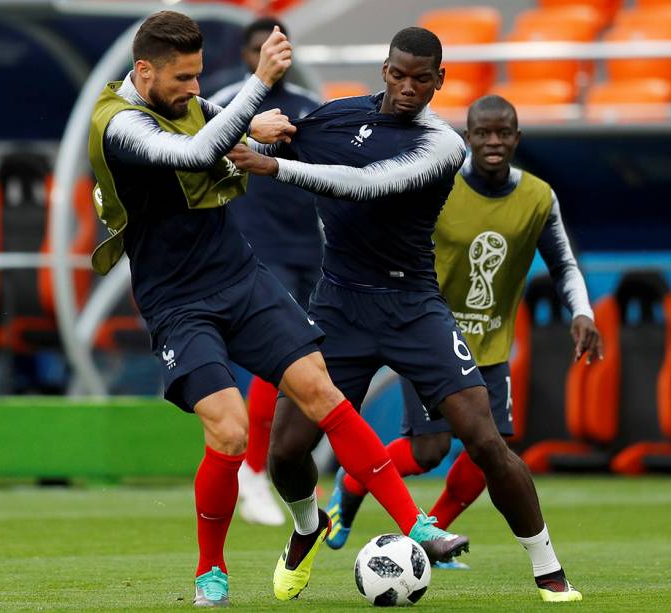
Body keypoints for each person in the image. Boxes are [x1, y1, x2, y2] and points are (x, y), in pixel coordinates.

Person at [87, 12, 467, 608]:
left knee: (324, 392)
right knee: (232, 432)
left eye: (197, 77)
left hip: (239, 274)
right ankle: (210, 568)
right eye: (185, 78)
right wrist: (258, 82)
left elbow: (228, 133)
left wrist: (261, 128)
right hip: (177, 300)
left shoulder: (186, 100)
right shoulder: (119, 125)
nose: (194, 89)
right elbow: (197, 154)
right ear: (144, 71)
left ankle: (415, 524)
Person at [228, 30, 584, 603]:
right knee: (286, 452)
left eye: (423, 78)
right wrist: (255, 130)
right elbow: (271, 139)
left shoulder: (442, 144)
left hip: (413, 306)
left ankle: (548, 568)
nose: (409, 87)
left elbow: (368, 186)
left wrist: (274, 169)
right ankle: (305, 529)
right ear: (385, 69)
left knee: (484, 439)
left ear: (439, 80)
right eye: (400, 74)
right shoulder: (336, 118)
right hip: (339, 306)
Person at [325, 95, 603, 574]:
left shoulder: (538, 197)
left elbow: (564, 262)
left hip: (490, 346)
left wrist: (582, 312)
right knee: (428, 451)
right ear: (468, 137)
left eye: (503, 133)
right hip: (430, 336)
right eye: (483, 133)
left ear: (516, 138)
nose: (493, 142)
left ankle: (434, 533)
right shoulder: (439, 184)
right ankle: (350, 488)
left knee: (488, 453)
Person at [210, 17, 324, 528]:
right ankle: (253, 471)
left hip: (311, 250)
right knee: (279, 362)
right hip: (255, 251)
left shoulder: (309, 107)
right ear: (245, 54)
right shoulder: (226, 103)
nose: (270, 55)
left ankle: (284, 466)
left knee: (309, 364)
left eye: (277, 46)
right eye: (260, 48)